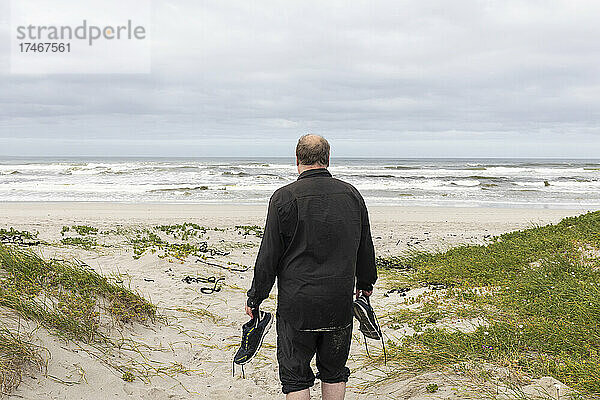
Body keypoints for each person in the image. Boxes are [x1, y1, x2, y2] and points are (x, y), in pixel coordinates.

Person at [245, 134, 377, 400]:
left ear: (296, 160)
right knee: (334, 372)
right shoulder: (352, 195)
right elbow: (365, 247)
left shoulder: (283, 198)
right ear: (328, 159)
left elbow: (268, 255)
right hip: (338, 302)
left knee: (295, 378)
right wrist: (366, 285)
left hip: (297, 305)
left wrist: (256, 297)